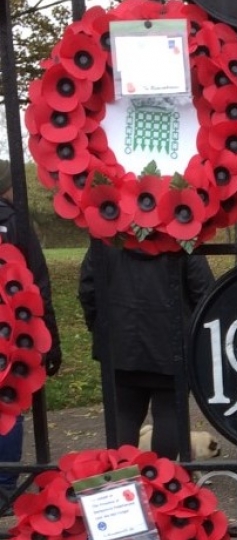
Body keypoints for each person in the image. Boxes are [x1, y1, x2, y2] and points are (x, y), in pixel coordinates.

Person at [78, 243, 214, 459]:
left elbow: (88, 288)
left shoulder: (108, 234)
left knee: (124, 415)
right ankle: (163, 483)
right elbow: (204, 292)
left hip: (120, 344)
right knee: (170, 414)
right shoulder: (179, 234)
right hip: (171, 345)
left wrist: (100, 328)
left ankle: (123, 483)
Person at [0, 159, 62, 495]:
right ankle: (6, 485)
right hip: (13, 330)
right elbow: (39, 283)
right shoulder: (16, 221)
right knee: (9, 403)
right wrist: (50, 340)